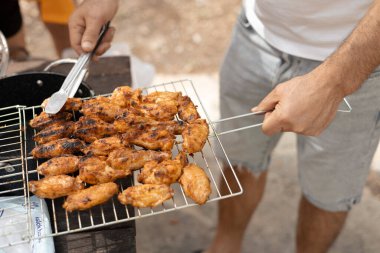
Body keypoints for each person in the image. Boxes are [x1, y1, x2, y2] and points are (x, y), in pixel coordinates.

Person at [68, 0, 380, 253]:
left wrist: (334, 81)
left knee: (330, 188)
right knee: (240, 155)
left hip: (356, 59)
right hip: (257, 36)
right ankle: (226, 246)